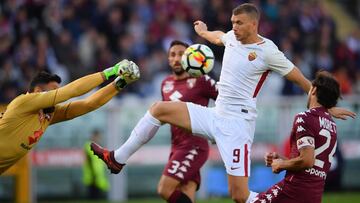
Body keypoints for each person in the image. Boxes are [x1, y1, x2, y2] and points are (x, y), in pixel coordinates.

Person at [90, 3, 355, 203]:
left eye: (239, 23)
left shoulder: (268, 51)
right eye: (232, 22)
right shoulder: (231, 37)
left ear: (253, 24)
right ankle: (117, 158)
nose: (234, 27)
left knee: (239, 196)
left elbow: (299, 78)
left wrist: (324, 106)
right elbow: (220, 36)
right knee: (159, 109)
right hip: (216, 114)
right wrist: (204, 32)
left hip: (238, 125)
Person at [0, 59, 140, 175]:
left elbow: (89, 104)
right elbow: (71, 91)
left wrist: (121, 82)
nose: (57, 94)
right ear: (37, 92)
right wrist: (113, 71)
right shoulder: (24, 102)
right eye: (54, 91)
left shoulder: (47, 115)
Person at [253, 71, 340, 203]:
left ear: (314, 90)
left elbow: (307, 161)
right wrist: (281, 159)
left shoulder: (305, 117)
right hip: (314, 195)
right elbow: (311, 166)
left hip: (294, 190)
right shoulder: (332, 125)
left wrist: (281, 164)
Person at [157, 40, 218, 203]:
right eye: (172, 55)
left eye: (181, 54)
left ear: (189, 57)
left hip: (194, 145)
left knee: (164, 189)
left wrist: (216, 129)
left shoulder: (202, 80)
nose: (176, 59)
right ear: (168, 59)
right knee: (184, 193)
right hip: (176, 145)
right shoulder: (165, 84)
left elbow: (226, 100)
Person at [83, 129, 109, 199]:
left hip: (99, 177)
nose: (98, 138)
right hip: (93, 177)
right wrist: (94, 175)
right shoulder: (89, 146)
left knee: (98, 198)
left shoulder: (99, 147)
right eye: (97, 136)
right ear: (93, 136)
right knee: (93, 197)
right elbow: (89, 161)